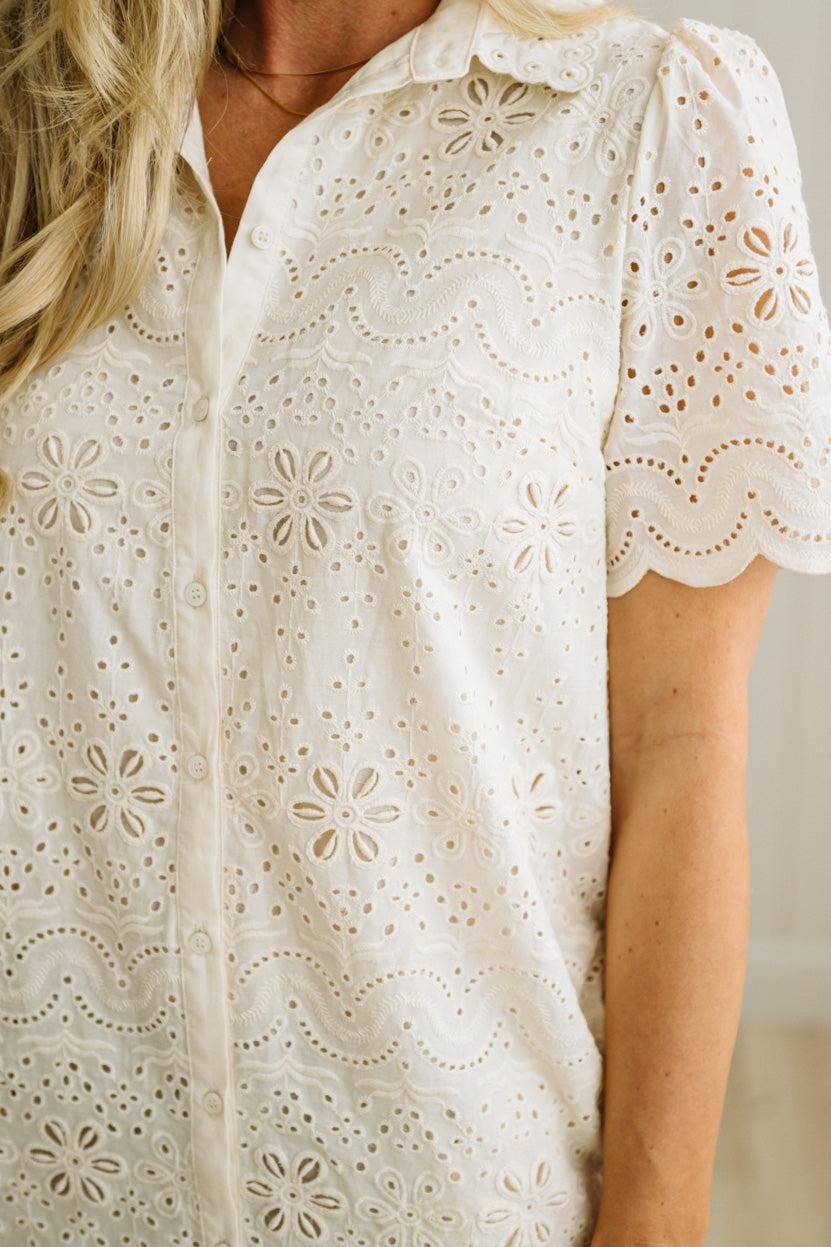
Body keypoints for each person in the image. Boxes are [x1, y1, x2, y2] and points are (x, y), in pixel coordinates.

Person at [1, 0, 830, 1243]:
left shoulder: (646, 115)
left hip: (448, 1191)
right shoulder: (32, 106)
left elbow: (682, 745)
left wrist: (656, 1224)